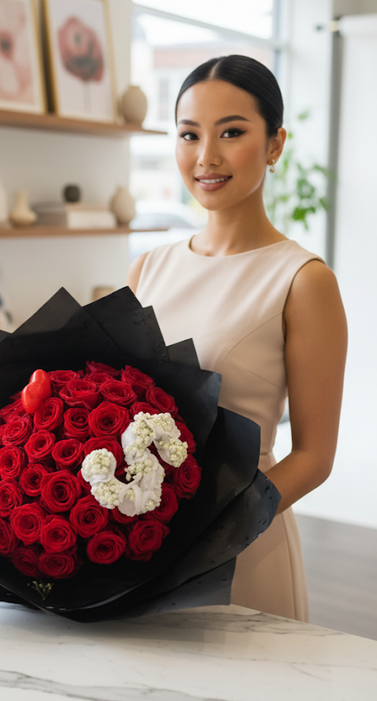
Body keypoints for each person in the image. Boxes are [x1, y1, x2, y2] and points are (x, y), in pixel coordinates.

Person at [127, 55, 347, 621]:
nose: (206, 157)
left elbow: (314, 456)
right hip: (140, 542)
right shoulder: (148, 267)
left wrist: (216, 526)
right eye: (189, 135)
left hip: (243, 542)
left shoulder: (303, 280)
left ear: (275, 145)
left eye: (232, 132)